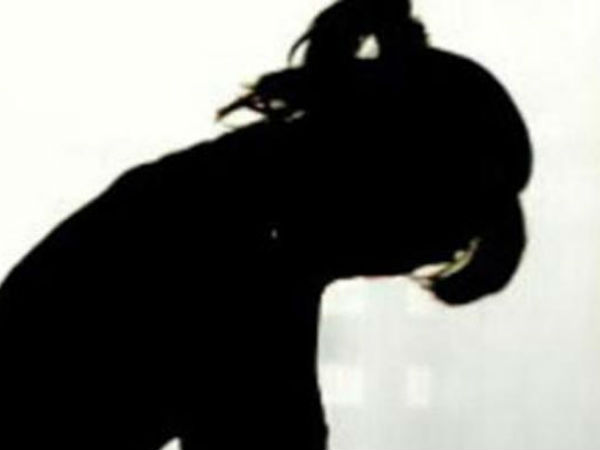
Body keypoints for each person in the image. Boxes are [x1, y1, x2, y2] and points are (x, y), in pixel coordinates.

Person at [0, 0, 531, 449]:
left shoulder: (218, 208)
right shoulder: (242, 253)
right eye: (439, 232)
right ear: (390, 178)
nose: (414, 259)